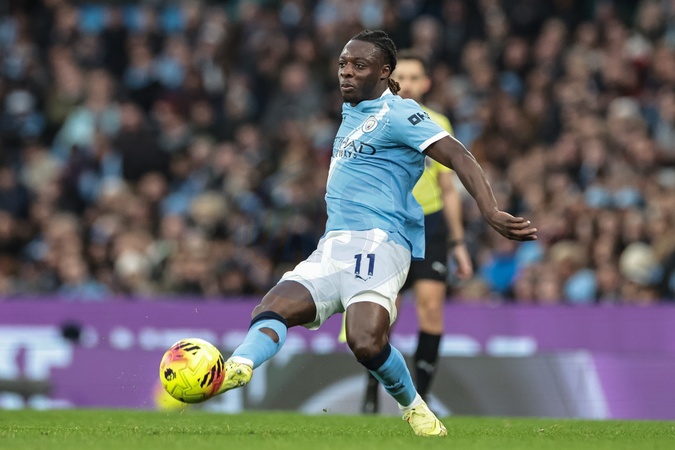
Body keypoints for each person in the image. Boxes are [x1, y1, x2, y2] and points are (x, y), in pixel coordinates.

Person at [213, 30, 537, 437]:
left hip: (380, 243)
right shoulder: (353, 110)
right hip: (333, 245)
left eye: (358, 66)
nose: (346, 72)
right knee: (273, 306)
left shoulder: (399, 113)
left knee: (365, 341)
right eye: (343, 65)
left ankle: (413, 406)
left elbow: (458, 153)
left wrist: (489, 210)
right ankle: (238, 366)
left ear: (384, 72)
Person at [358, 48, 474, 415]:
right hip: (389, 225)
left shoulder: (437, 122)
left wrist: (458, 242)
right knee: (384, 312)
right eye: (400, 77)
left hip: (430, 223)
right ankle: (372, 391)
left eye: (413, 78)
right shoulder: (373, 119)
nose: (406, 84)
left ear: (425, 83)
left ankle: (420, 399)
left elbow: (448, 187)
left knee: (431, 307)